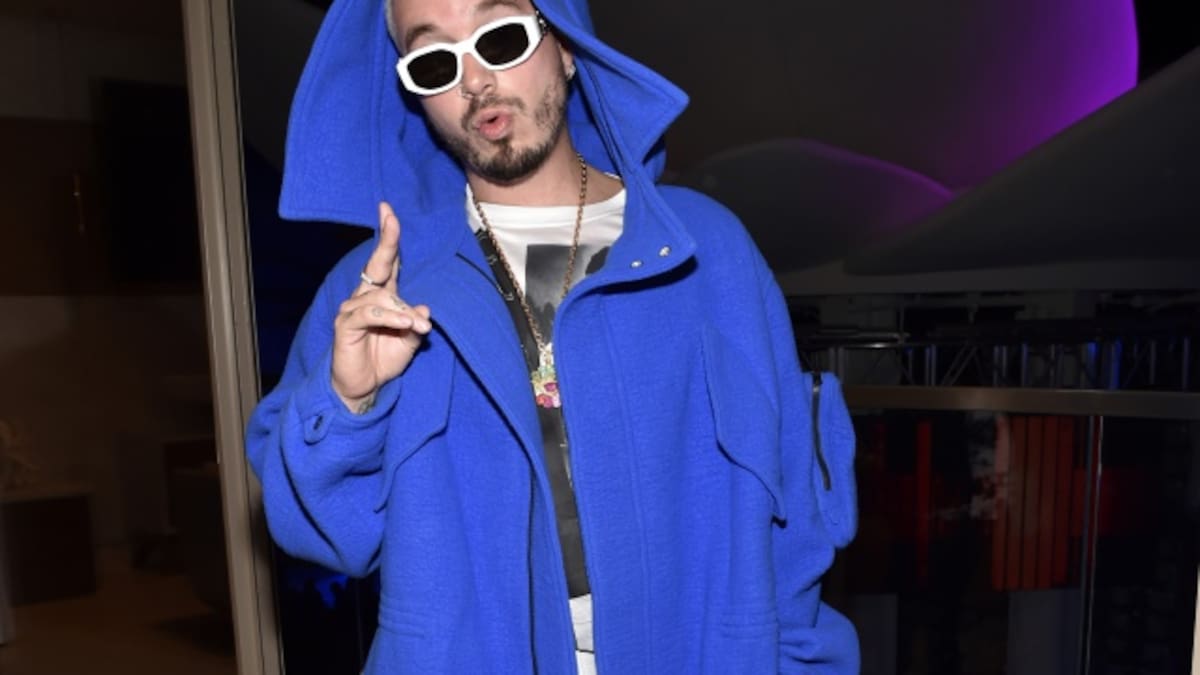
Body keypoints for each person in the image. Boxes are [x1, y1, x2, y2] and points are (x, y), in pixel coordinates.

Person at [246, 0, 860, 671]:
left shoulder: (704, 252)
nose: (474, 80)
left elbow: (796, 522)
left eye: (500, 38)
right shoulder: (376, 288)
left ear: (566, 47)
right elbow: (324, 534)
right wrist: (349, 404)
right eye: (434, 61)